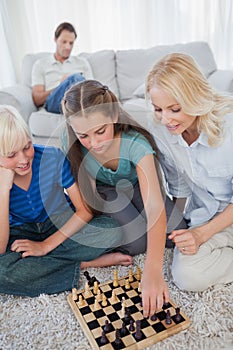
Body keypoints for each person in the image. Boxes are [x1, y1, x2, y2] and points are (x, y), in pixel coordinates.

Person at [62, 79, 187, 316]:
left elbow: (154, 207)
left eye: (100, 131)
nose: (95, 143)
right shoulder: (70, 142)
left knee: (176, 230)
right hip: (105, 191)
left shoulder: (135, 143)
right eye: (84, 136)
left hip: (137, 184)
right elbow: (86, 200)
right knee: (138, 242)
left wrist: (152, 269)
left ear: (113, 116)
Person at [0, 105, 133, 297]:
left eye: (27, 146)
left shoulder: (51, 157)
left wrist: (45, 246)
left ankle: (44, 266)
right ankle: (84, 264)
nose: (23, 159)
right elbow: (2, 248)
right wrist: (4, 190)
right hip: (20, 232)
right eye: (11, 155)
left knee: (112, 230)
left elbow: (84, 211)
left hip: (59, 222)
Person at [146, 52, 233, 292]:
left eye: (175, 109)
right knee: (186, 275)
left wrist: (202, 235)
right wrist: (179, 226)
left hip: (223, 218)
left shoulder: (230, 126)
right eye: (158, 109)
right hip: (207, 216)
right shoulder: (162, 131)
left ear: (195, 97)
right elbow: (178, 186)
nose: (166, 120)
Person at [31, 22, 93, 114]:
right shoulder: (41, 64)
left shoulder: (82, 63)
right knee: (75, 79)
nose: (68, 47)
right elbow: (37, 99)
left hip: (79, 100)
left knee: (84, 85)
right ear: (55, 39)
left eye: (71, 43)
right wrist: (61, 85)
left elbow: (92, 90)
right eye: (64, 42)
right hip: (54, 102)